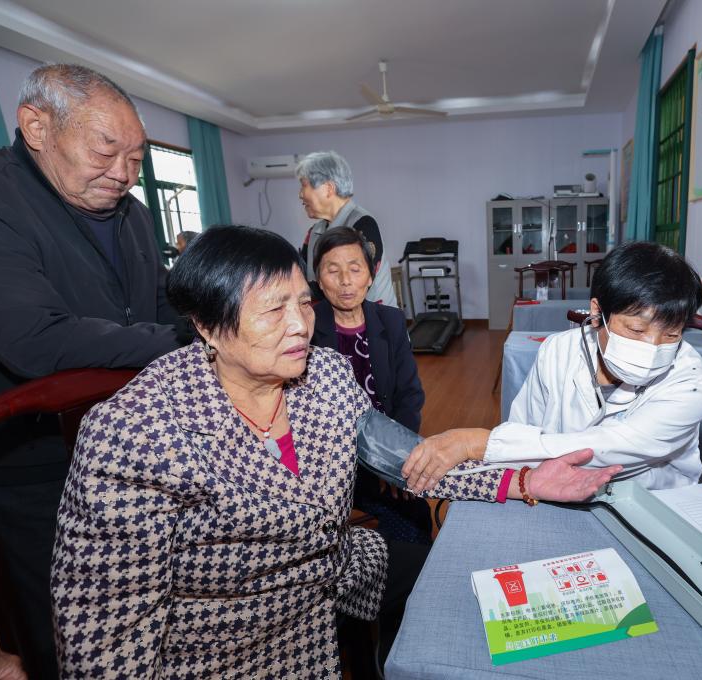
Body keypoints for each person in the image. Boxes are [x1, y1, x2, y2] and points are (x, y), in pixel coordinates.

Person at [51, 225, 619, 678]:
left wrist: (522, 481)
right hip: (229, 640)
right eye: (273, 310)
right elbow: (105, 637)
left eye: (303, 303)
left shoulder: (321, 372)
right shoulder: (133, 433)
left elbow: (401, 456)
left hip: (339, 566)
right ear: (206, 325)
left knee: (461, 580)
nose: (300, 325)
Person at [0, 64, 185, 679]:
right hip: (34, 466)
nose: (123, 172)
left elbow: (158, 302)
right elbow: (35, 338)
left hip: (131, 452)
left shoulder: (133, 213)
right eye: (105, 150)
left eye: (137, 158)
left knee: (147, 610)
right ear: (37, 127)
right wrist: (182, 342)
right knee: (65, 633)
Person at [403, 241, 702, 494]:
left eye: (671, 334)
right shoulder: (558, 351)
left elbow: (608, 448)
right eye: (636, 330)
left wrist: (477, 443)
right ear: (597, 313)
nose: (652, 347)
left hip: (651, 500)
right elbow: (522, 427)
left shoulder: (692, 385)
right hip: (553, 492)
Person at [311, 227, 431, 543]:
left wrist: (394, 460)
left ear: (370, 276)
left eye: (355, 269)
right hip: (330, 459)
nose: (345, 281)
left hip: (384, 447)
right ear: (319, 279)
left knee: (416, 515)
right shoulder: (306, 328)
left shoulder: (391, 320)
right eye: (333, 271)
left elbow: (409, 395)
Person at [297, 151, 396, 307]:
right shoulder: (314, 232)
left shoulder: (363, 224)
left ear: (328, 188)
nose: (300, 194)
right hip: (329, 319)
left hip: (373, 319)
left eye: (304, 185)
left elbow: (353, 285)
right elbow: (300, 277)